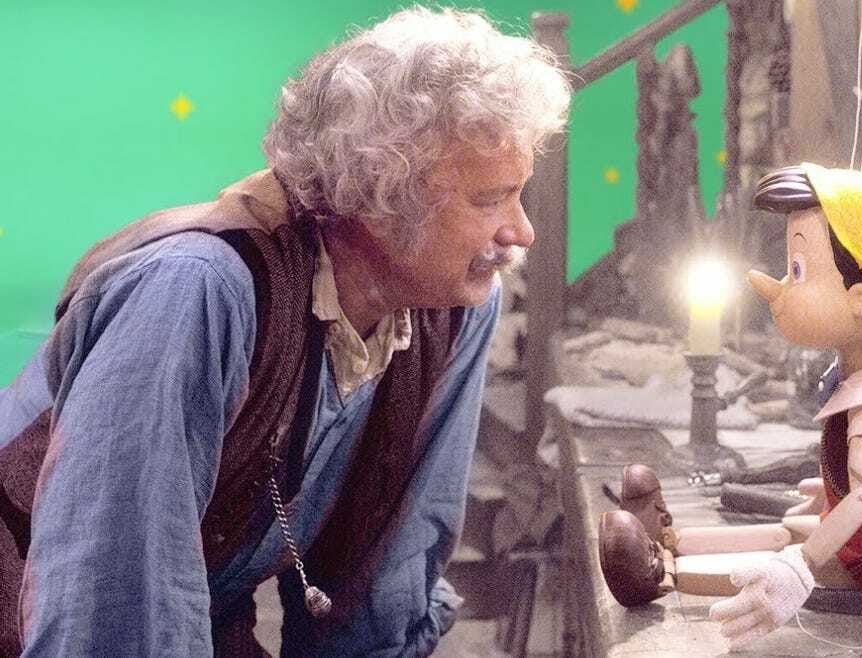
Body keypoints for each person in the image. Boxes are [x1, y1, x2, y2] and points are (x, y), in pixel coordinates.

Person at [0, 7, 570, 656]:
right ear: (382, 192)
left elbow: (385, 582)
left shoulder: (454, 304)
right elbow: (112, 603)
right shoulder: (196, 291)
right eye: (489, 199)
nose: (521, 231)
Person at [598, 158, 862, 651]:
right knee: (788, 528)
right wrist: (824, 491)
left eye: (798, 271)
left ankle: (662, 577)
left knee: (780, 562)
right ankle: (672, 541)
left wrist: (802, 567)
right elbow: (861, 487)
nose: (778, 287)